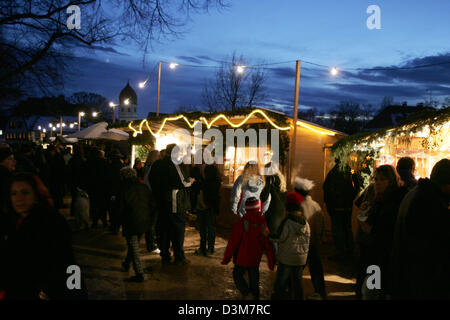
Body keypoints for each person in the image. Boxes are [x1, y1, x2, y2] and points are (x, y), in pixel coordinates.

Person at [0, 173, 84, 299]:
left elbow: (67, 263)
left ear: (36, 195)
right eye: (14, 193)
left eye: (25, 192)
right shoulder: (10, 221)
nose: (19, 198)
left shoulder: (50, 222)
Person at [390, 158, 450, 299]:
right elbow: (434, 247)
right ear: (446, 185)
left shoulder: (419, 194)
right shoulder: (430, 203)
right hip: (422, 281)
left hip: (409, 277)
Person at [357, 165, 407, 299]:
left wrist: (362, 218)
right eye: (376, 179)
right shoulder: (381, 199)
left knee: (376, 291)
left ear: (390, 181)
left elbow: (373, 229)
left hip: (383, 256)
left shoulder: (392, 202)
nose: (377, 182)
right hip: (378, 255)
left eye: (382, 179)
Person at [222, 197, 275, 300]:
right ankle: (255, 296)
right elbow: (268, 243)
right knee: (254, 276)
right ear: (258, 207)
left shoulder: (242, 222)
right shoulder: (263, 223)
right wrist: (271, 261)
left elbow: (233, 242)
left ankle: (246, 293)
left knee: (237, 275)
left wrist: (226, 258)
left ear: (246, 208)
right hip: (255, 256)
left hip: (242, 256)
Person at [158, 144, 194, 265]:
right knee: (178, 228)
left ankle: (165, 254)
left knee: (165, 229)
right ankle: (179, 256)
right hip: (175, 201)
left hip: (162, 202)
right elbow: (182, 182)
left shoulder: (158, 164)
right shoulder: (174, 164)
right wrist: (191, 181)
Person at [271, 192, 310, 300]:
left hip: (287, 258)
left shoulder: (288, 222)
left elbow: (280, 237)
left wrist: (268, 234)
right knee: (297, 283)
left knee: (281, 282)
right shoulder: (305, 223)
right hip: (300, 259)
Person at [117, 167, 152, 283]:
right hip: (144, 220)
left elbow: (120, 208)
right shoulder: (143, 187)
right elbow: (151, 203)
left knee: (134, 247)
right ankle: (127, 263)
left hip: (131, 221)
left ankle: (139, 273)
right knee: (133, 245)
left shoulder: (123, 189)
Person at [294, 177, 326, 300]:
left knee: (296, 270)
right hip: (314, 243)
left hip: (301, 245)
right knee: (316, 269)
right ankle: (320, 291)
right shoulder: (316, 206)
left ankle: (295, 292)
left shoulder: (298, 207)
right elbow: (321, 225)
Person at [323, 158, 359, 260]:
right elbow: (357, 184)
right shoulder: (350, 170)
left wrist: (328, 203)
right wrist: (352, 195)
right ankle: (349, 250)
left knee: (337, 229)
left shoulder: (333, 172)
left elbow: (326, 188)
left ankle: (340, 252)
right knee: (347, 228)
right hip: (347, 206)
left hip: (335, 207)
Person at [195, 163, 222, 256]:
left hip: (209, 207)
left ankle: (210, 248)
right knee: (203, 228)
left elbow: (212, 194)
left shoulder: (212, 179)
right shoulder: (201, 177)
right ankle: (203, 248)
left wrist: (204, 204)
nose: (200, 166)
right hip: (202, 207)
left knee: (210, 228)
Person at [260, 162, 286, 236]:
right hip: (282, 210)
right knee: (279, 233)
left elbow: (264, 196)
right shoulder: (281, 179)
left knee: (272, 234)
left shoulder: (270, 179)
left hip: (273, 210)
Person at [142, 149, 160, 252]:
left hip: (148, 196)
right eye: (157, 156)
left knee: (151, 222)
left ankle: (151, 243)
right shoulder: (153, 168)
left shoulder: (147, 167)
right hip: (152, 197)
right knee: (152, 222)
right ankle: (151, 245)